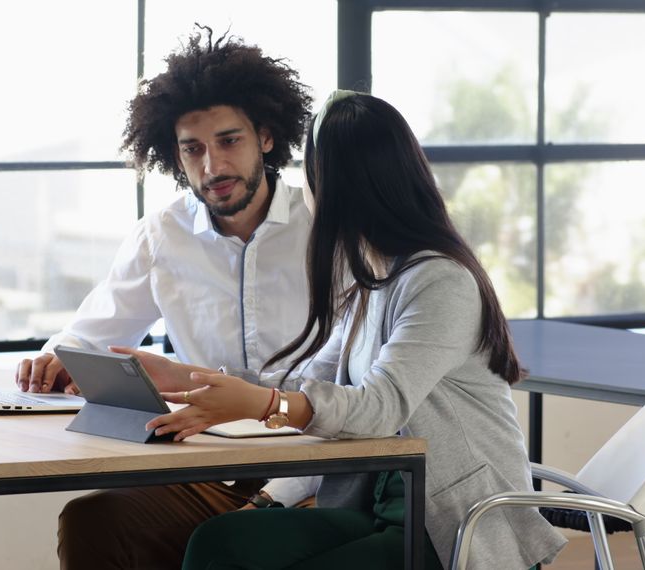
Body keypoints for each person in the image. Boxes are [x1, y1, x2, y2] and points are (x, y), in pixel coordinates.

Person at [125, 91, 568, 569]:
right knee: (221, 543)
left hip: (448, 526)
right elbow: (304, 382)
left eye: (310, 177)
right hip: (380, 513)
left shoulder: (440, 280)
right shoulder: (372, 282)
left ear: (336, 186)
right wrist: (182, 377)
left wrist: (266, 406)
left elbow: (382, 406)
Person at [13, 29, 320, 570]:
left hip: (322, 462)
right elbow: (93, 335)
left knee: (251, 542)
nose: (211, 167)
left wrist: (284, 490)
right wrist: (57, 355)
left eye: (229, 141)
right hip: (215, 466)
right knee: (93, 520)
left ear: (266, 137)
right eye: (193, 149)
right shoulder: (162, 235)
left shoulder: (325, 230)